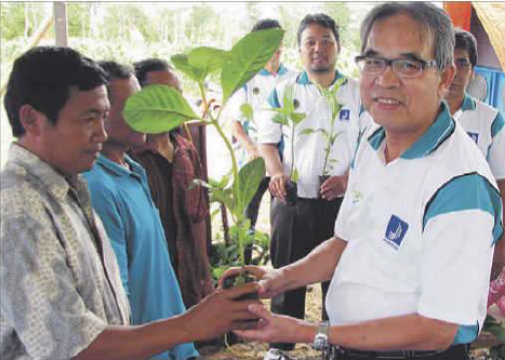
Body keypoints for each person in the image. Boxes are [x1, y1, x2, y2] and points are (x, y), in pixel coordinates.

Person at [231, 3, 503, 360]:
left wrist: (308, 331)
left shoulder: (460, 185)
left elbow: (439, 328)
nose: (385, 80)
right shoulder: (373, 144)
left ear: (445, 77)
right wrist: (276, 278)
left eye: (409, 64)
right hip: (351, 348)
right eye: (374, 61)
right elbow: (344, 243)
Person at [1, 46, 259, 360]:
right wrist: (191, 325)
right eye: (89, 118)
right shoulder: (17, 209)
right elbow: (72, 348)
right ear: (32, 119)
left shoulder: (67, 188)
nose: (101, 132)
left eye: (105, 116)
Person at [256, 13, 365, 360]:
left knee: (340, 278)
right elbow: (268, 142)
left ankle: (336, 344)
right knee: (287, 274)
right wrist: (275, 172)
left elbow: (369, 144)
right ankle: (280, 348)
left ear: (339, 46)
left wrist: (348, 178)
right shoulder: (283, 90)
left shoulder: (357, 92)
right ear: (300, 49)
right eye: (310, 42)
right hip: (292, 201)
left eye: (326, 40)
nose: (318, 48)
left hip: (341, 203)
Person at [83, 61, 193, 360]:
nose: (146, 115)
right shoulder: (98, 187)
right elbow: (117, 299)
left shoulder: (132, 170)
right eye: (133, 106)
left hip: (171, 343)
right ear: (102, 113)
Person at [130, 58, 214, 310]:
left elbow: (198, 216)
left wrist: (204, 270)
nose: (173, 104)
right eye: (162, 96)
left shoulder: (186, 150)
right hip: (149, 281)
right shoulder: (130, 157)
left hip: (187, 272)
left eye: (176, 94)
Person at [228, 19, 296, 253]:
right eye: (267, 43)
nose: (274, 49)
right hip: (253, 163)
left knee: (283, 221)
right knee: (246, 219)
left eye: (277, 41)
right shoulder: (246, 80)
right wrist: (252, 150)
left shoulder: (293, 78)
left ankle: (281, 273)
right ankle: (243, 275)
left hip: (283, 164)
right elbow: (235, 125)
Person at [443, 28, 505, 283]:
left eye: (463, 62)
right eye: (448, 62)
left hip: (472, 232)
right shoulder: (418, 117)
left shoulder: (490, 120)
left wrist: (501, 246)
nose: (455, 71)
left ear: (473, 71)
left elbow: (502, 184)